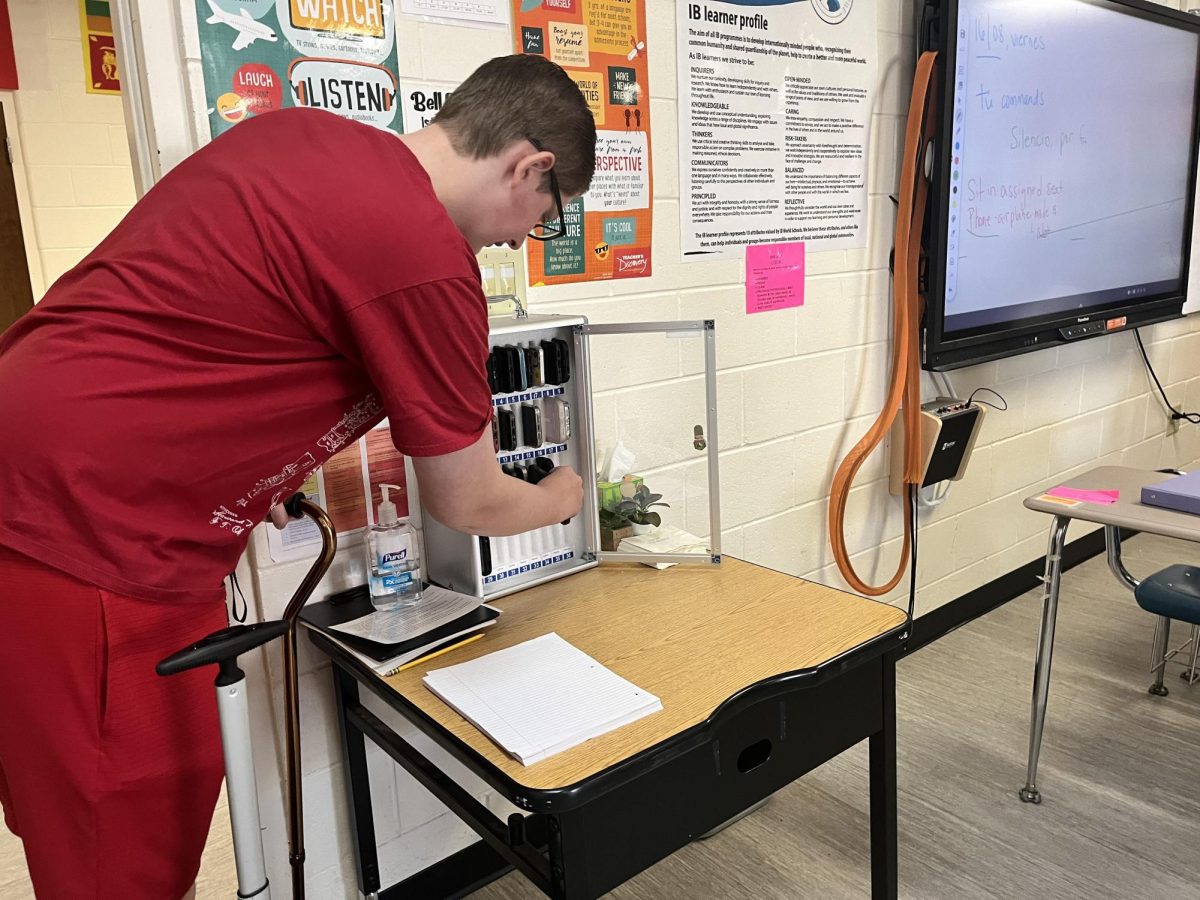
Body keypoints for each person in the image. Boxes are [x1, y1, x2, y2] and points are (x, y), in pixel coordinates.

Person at [0, 53, 594, 899]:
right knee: (123, 836)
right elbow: (467, 498)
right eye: (544, 214)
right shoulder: (424, 251)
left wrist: (247, 465)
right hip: (86, 529)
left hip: (35, 475)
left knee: (62, 805)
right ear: (530, 166)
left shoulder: (297, 139)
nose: (518, 238)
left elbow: (212, 324)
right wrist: (561, 497)